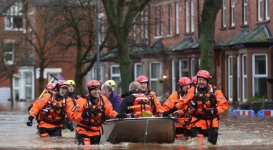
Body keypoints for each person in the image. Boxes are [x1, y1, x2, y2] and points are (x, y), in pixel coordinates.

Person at [162, 70, 229, 145]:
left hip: (212, 123)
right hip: (196, 123)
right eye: (199, 79)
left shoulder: (216, 91)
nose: (201, 82)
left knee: (212, 145)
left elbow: (224, 105)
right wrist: (168, 111)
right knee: (198, 144)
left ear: (207, 81)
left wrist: (214, 111)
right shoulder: (192, 91)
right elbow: (181, 103)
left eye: (203, 80)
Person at [70, 80, 125, 145]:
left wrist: (117, 115)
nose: (97, 92)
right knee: (86, 148)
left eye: (98, 89)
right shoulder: (82, 101)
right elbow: (74, 116)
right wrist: (85, 114)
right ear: (90, 90)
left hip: (96, 131)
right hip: (83, 131)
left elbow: (110, 111)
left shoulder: (103, 100)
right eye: (94, 90)